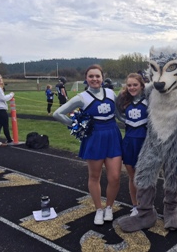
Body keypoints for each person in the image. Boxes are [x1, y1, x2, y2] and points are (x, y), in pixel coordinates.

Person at [53, 64, 122, 225]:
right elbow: (58, 113)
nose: (94, 79)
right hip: (94, 138)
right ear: (86, 78)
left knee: (115, 177)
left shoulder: (111, 93)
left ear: (102, 78)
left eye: (97, 76)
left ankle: (109, 207)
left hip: (112, 135)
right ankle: (99, 208)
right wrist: (76, 125)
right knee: (94, 176)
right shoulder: (81, 98)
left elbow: (119, 115)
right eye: (91, 76)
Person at [116, 73, 148, 217]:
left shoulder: (149, 101)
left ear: (142, 85)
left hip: (145, 143)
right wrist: (124, 119)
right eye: (129, 85)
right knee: (132, 177)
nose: (132, 87)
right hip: (129, 141)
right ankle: (135, 205)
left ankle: (146, 205)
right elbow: (118, 114)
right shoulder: (125, 101)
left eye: (135, 85)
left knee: (145, 177)